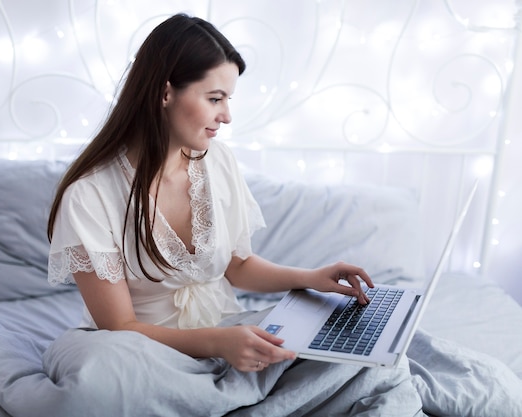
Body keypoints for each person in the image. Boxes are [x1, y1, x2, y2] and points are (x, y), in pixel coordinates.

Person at [47, 12, 372, 374]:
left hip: (228, 334)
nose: (227, 116)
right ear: (165, 93)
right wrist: (218, 343)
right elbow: (120, 328)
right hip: (140, 353)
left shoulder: (217, 162)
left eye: (228, 99)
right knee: (96, 380)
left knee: (352, 353)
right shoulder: (89, 196)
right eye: (215, 98)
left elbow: (238, 266)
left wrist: (311, 277)